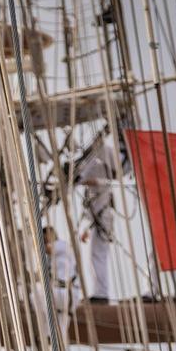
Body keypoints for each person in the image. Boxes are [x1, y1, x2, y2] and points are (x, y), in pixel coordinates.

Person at [73, 140, 120, 304]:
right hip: (98, 219)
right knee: (95, 256)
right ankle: (100, 291)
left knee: (97, 255)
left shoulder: (98, 167)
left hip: (102, 219)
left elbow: (83, 179)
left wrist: (78, 180)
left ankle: (101, 293)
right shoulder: (99, 168)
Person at [43, 225, 79, 334]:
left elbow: (48, 249)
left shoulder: (61, 245)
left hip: (64, 293)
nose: (44, 242)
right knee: (59, 337)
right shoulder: (54, 258)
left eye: (45, 238)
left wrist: (31, 239)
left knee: (35, 295)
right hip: (66, 297)